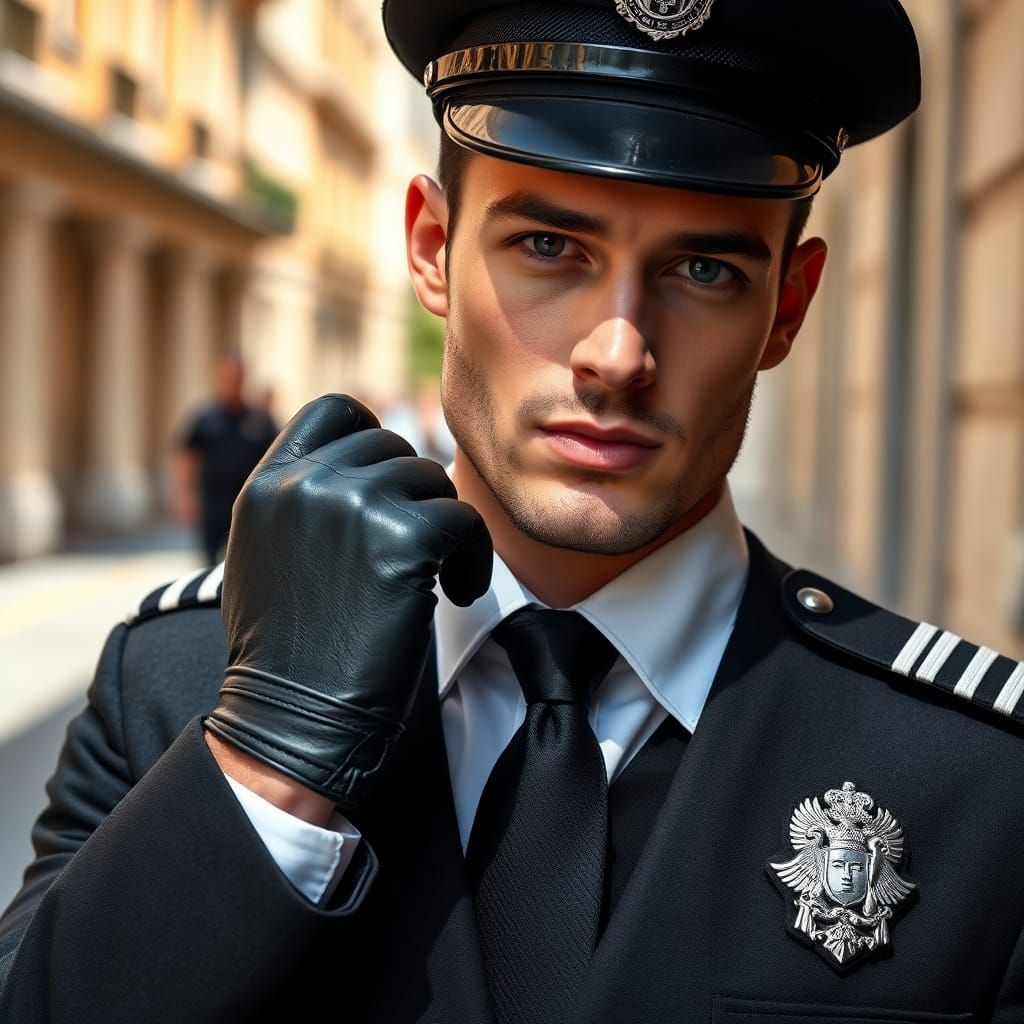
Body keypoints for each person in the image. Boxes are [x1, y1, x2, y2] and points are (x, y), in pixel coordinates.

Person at [1, 3, 1023, 1022]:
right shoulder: (179, 684)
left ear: (787, 309)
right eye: (547, 244)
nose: (617, 354)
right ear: (432, 248)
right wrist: (272, 756)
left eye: (704, 269)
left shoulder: (975, 782)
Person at [173, 351, 280, 566]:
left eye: (237, 379)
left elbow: (279, 458)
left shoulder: (259, 420)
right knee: (209, 565)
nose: (233, 384)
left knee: (244, 566)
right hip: (213, 503)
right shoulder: (205, 418)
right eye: (228, 379)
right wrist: (184, 497)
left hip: (247, 505)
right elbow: (187, 456)